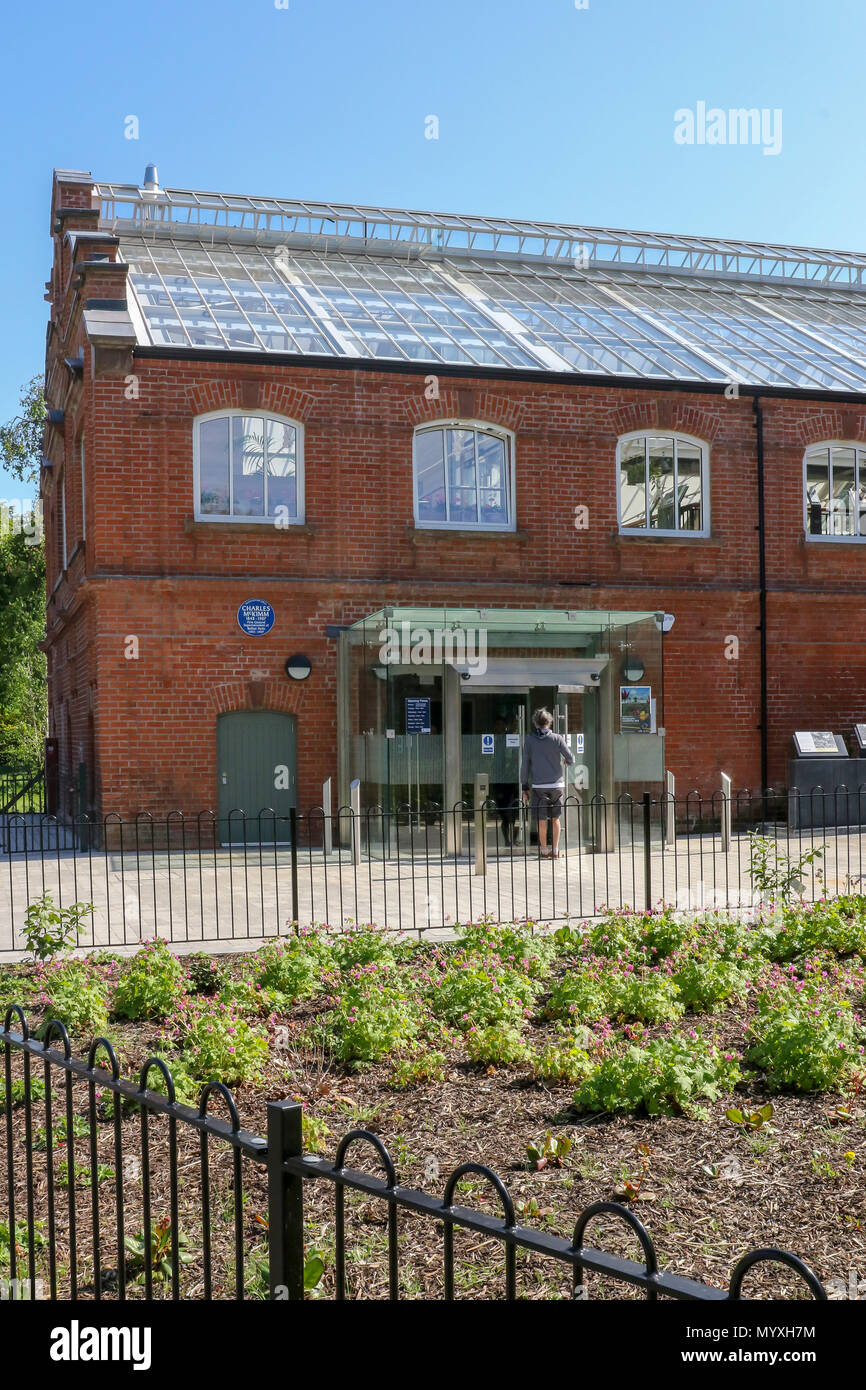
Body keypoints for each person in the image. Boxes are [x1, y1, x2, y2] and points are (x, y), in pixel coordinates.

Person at [520, 708, 574, 859]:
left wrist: (524, 785)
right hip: (557, 785)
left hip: (538, 787)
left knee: (541, 818)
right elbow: (570, 759)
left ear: (535, 723)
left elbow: (525, 765)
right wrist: (565, 761)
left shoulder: (529, 740)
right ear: (549, 722)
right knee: (556, 818)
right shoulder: (557, 738)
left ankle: (544, 851)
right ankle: (556, 850)